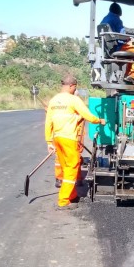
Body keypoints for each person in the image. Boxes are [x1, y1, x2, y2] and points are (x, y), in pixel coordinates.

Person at [45, 75, 106, 210]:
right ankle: (63, 200)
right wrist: (99, 120)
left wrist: (49, 141)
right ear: (72, 86)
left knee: (66, 167)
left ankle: (72, 195)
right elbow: (87, 115)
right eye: (75, 87)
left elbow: (48, 122)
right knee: (72, 168)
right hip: (69, 138)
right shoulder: (74, 100)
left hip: (57, 139)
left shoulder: (54, 100)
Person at [100, 2, 134, 85]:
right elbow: (124, 36)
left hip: (108, 49)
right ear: (119, 12)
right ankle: (131, 76)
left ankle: (127, 76)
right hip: (118, 47)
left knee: (132, 51)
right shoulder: (117, 19)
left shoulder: (104, 19)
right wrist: (130, 39)